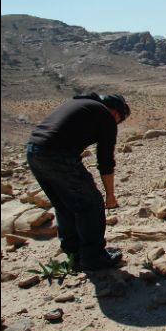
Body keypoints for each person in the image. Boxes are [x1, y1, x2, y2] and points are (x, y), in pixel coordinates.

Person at [26, 92, 131, 271]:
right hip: (58, 154)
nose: (116, 123)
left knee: (64, 204)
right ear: (115, 112)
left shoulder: (81, 105)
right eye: (119, 119)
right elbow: (105, 161)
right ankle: (93, 257)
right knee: (91, 203)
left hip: (34, 151)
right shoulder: (104, 115)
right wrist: (110, 195)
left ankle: (73, 253)